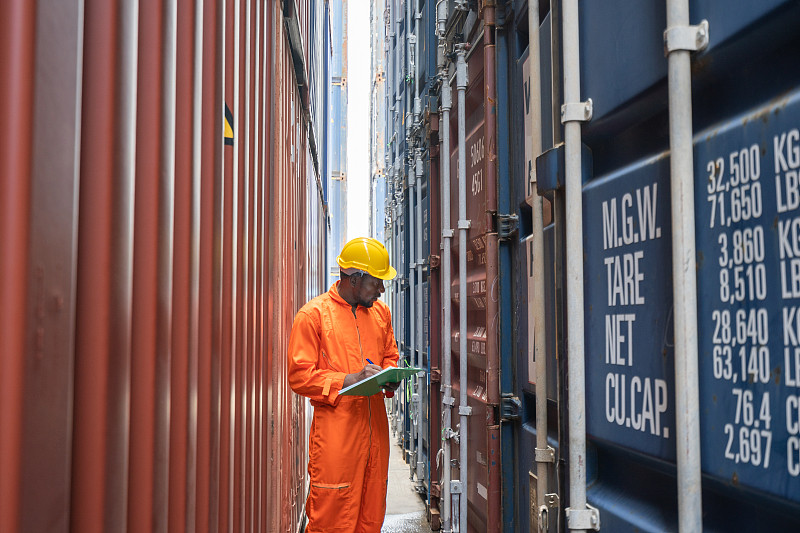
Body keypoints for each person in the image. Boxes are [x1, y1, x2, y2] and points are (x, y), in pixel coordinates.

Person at [288, 237, 401, 533]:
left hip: (376, 431)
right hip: (337, 437)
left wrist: (391, 377)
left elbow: (390, 356)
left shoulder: (381, 315)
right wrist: (347, 380)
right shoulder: (313, 317)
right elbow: (299, 376)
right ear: (355, 279)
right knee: (332, 518)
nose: (382, 290)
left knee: (371, 515)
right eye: (376, 282)